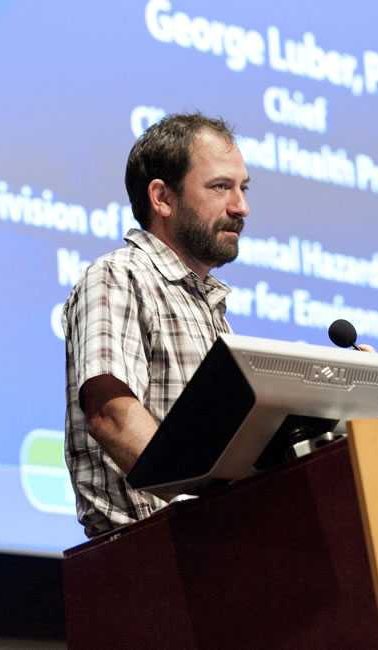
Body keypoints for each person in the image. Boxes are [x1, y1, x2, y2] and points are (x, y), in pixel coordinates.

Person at [62, 112, 250, 537]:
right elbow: (111, 414)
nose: (241, 207)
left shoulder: (209, 307)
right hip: (152, 557)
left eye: (243, 188)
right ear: (162, 198)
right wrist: (213, 509)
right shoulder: (120, 276)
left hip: (216, 554)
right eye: (221, 187)